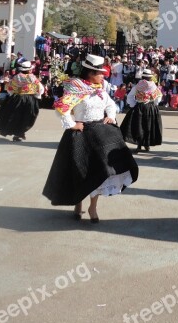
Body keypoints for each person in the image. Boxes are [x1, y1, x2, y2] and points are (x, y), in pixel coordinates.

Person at [42, 54, 139, 222]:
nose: (103, 75)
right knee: (80, 170)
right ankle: (78, 202)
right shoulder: (76, 87)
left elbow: (110, 105)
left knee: (99, 171)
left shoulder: (99, 89)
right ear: (90, 72)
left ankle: (93, 206)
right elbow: (61, 108)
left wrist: (110, 116)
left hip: (99, 133)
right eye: (100, 72)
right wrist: (71, 124)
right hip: (80, 135)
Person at [0, 60, 44, 141]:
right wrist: (37, 96)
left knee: (15, 116)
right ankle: (19, 133)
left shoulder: (16, 77)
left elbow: (10, 88)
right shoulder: (33, 78)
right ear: (29, 69)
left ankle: (15, 131)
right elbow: (40, 89)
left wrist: (13, 94)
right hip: (29, 99)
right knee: (27, 117)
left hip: (17, 98)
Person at [120, 68, 163, 152]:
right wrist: (154, 104)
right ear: (150, 77)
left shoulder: (137, 86)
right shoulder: (154, 87)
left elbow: (130, 96)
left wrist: (133, 105)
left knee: (140, 126)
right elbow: (159, 97)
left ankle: (139, 145)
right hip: (151, 107)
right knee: (149, 126)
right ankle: (146, 145)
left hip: (140, 107)